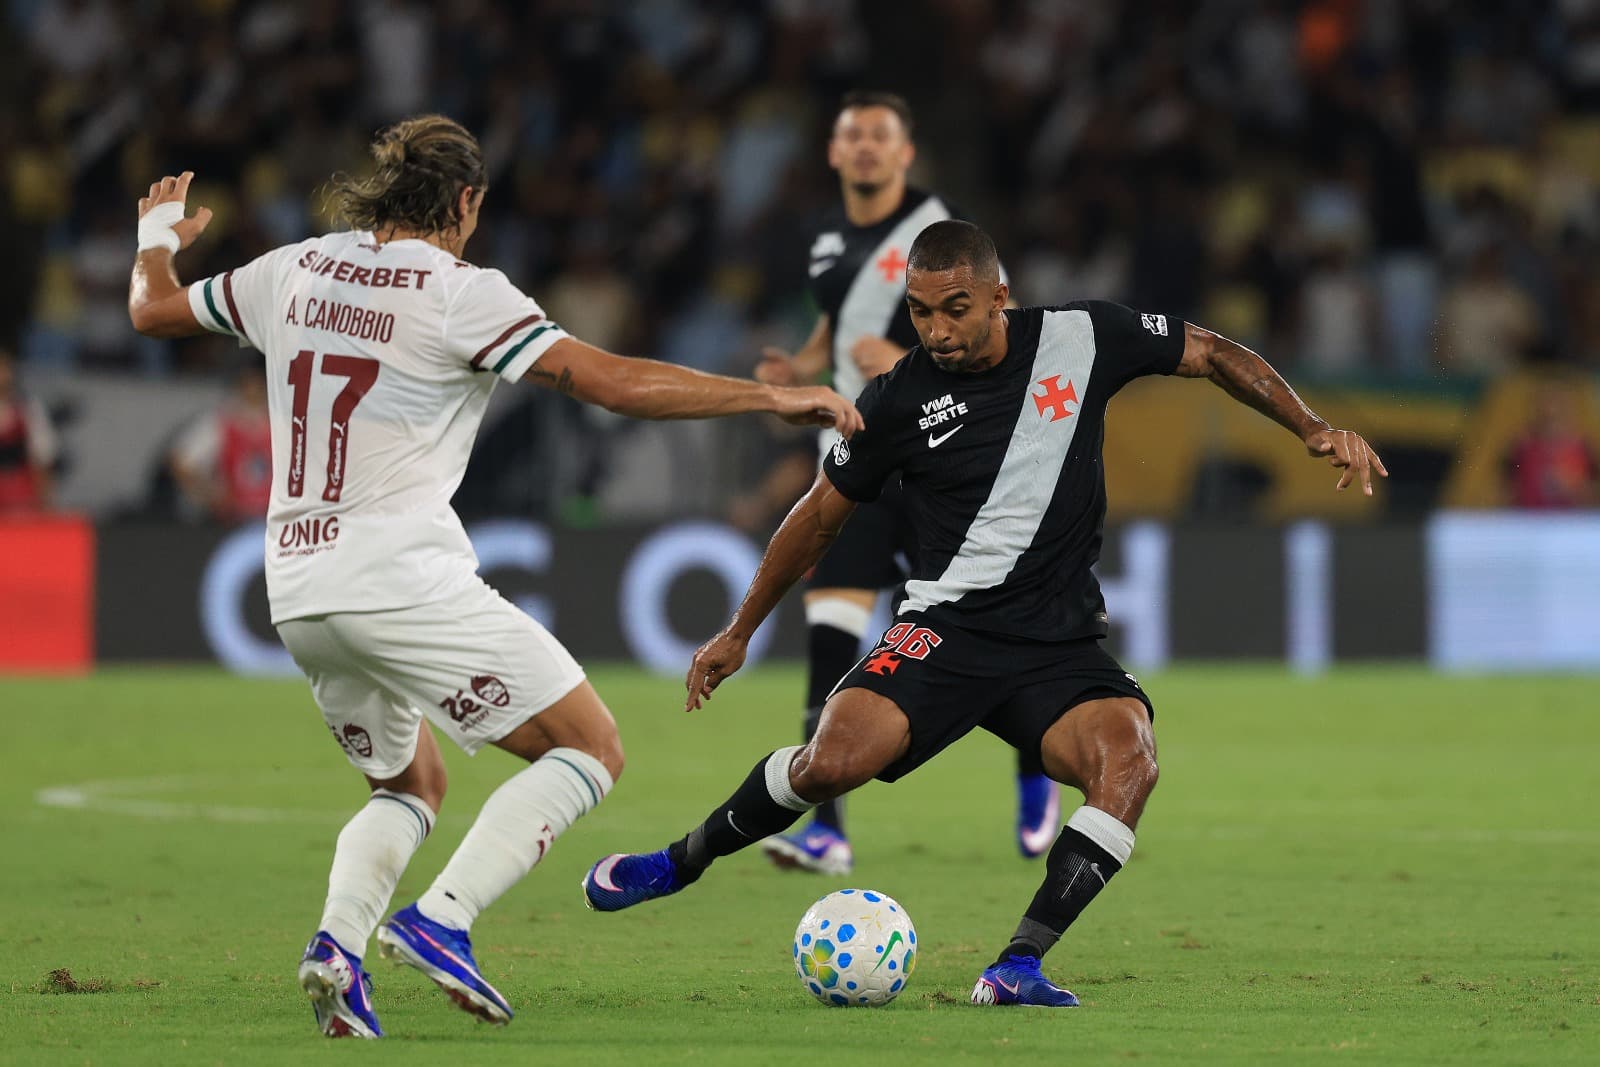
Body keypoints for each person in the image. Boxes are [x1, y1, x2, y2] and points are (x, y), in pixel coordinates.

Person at [126, 115, 862, 1040]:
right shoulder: (460, 293)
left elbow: (153, 310)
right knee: (589, 747)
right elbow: (613, 383)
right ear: (468, 200)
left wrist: (156, 238)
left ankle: (337, 951)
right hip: (397, 575)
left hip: (298, 584)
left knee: (409, 784)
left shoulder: (294, 268)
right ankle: (442, 918)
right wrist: (769, 395)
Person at [582, 220, 1386, 1006]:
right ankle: (679, 860)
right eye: (920, 312)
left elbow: (1211, 352)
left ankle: (1016, 965)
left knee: (1130, 760)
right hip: (946, 630)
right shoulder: (897, 399)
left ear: (1000, 296)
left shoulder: (1083, 336)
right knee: (829, 763)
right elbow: (820, 514)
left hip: (1058, 641)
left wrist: (1312, 427)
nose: (936, 330)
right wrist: (739, 629)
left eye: (955, 309)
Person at [752, 91, 1058, 875]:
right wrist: (800, 367)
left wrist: (907, 368)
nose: (864, 146)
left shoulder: (943, 233)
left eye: (879, 135)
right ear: (832, 150)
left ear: (905, 153)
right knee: (830, 640)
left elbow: (1012, 337)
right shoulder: (827, 237)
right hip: (858, 460)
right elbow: (837, 331)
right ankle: (827, 830)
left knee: (997, 634)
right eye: (851, 133)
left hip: (939, 468)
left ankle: (1036, 770)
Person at [168, 364, 273, 522]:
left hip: (274, 518)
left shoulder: (281, 423)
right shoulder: (221, 423)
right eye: (247, 387)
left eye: (258, 389)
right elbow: (179, 462)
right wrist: (212, 494)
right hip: (232, 519)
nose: (253, 392)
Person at [0, 346, 58, 513]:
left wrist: (46, 502)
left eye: (3, 368)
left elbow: (42, 460)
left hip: (19, 497)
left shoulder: (28, 409)